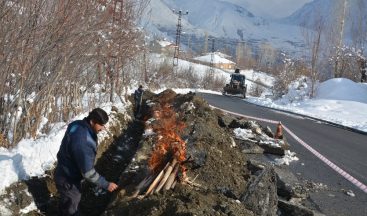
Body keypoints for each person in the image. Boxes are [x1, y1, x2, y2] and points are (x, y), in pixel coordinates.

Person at [54, 108, 118, 215]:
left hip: (63, 169)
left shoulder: (77, 124)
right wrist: (106, 184)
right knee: (71, 207)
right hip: (68, 179)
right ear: (92, 121)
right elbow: (88, 173)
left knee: (67, 203)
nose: (103, 128)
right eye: (101, 125)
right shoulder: (83, 141)